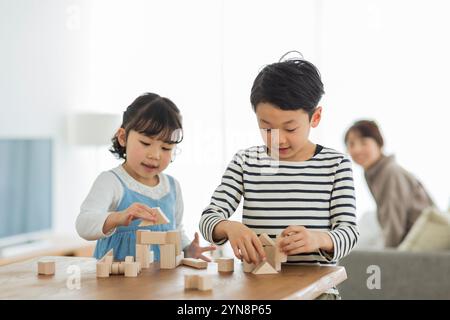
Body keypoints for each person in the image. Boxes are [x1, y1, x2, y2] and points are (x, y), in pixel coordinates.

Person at [199, 55, 359, 298]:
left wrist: (318, 238)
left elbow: (349, 232)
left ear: (315, 117)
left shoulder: (336, 164)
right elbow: (209, 218)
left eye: (290, 128)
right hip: (257, 289)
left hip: (317, 293)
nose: (278, 139)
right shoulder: (246, 161)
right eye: (266, 127)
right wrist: (229, 227)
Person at [76, 92, 215, 261]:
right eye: (146, 143)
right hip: (116, 283)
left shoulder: (172, 187)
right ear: (123, 137)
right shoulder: (111, 181)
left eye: (166, 148)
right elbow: (83, 224)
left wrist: (188, 249)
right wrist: (118, 217)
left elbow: (176, 230)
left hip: (160, 284)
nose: (155, 155)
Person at [345, 120, 434, 247]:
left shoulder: (389, 172)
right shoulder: (372, 173)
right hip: (409, 240)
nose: (357, 149)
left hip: (422, 243)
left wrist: (385, 262)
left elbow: (394, 226)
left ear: (379, 144)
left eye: (364, 142)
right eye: (351, 144)